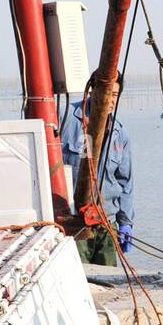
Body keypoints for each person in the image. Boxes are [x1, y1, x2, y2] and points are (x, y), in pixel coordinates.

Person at [61, 97, 134, 266]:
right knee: (78, 279)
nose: (111, 100)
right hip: (74, 225)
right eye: (108, 93)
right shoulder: (66, 119)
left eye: (115, 94)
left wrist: (125, 222)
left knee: (109, 284)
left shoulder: (119, 133)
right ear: (95, 90)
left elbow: (125, 182)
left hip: (106, 223)